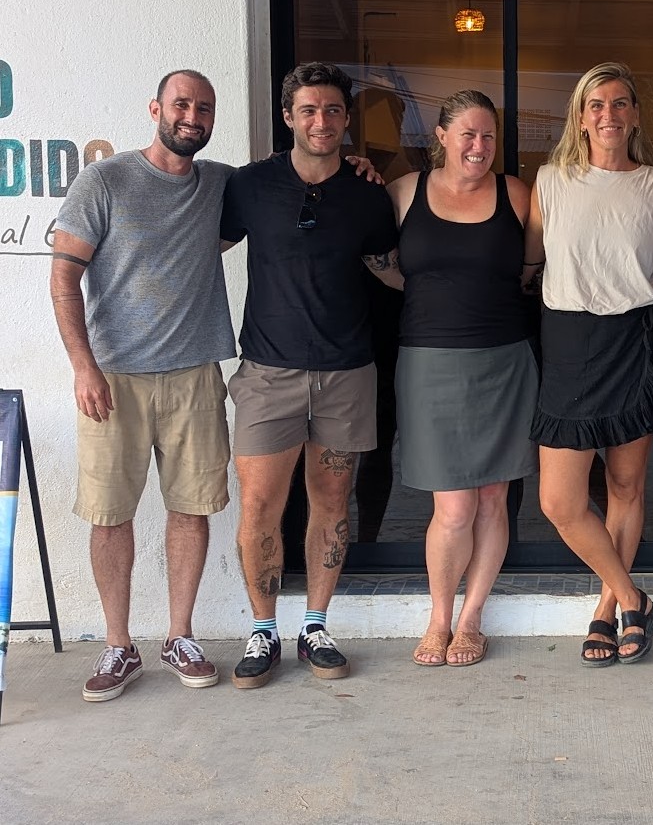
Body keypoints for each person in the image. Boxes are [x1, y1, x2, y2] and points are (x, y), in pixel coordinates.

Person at [51, 69, 233, 701]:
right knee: (110, 516)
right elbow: (63, 278)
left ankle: (180, 635)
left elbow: (285, 184)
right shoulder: (105, 180)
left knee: (191, 508)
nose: (192, 116)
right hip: (113, 379)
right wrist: (82, 365)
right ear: (156, 107)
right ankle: (117, 646)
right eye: (182, 104)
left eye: (204, 108)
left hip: (194, 374)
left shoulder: (219, 184)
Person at [221, 62, 402, 688]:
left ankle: (317, 625)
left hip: (347, 373)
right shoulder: (248, 186)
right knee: (260, 505)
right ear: (287, 116)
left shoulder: (367, 192)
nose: (320, 121)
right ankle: (263, 631)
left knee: (331, 502)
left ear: (346, 119)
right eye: (308, 110)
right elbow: (196, 243)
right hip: (268, 372)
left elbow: (390, 265)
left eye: (331, 111)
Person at [530, 62, 653, 666]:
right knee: (560, 501)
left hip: (633, 338)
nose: (609, 115)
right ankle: (633, 596)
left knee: (625, 486)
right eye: (596, 105)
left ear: (635, 114)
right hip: (567, 340)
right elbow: (529, 260)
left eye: (620, 103)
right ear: (580, 116)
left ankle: (606, 610)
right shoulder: (550, 182)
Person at [388, 90, 538, 668]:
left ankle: (471, 620)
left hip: (504, 361)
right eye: (468, 135)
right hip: (427, 362)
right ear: (443, 137)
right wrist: (435, 297)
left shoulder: (518, 195)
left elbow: (531, 267)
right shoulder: (403, 193)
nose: (479, 147)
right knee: (452, 506)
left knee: (495, 496)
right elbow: (382, 262)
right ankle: (439, 618)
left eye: (489, 137)